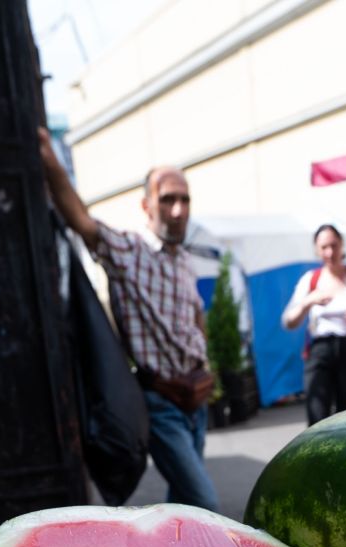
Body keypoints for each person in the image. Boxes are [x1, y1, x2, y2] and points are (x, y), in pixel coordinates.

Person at [36, 128, 220, 510]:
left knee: (185, 505)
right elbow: (82, 222)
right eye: (168, 199)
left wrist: (206, 364)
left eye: (185, 200)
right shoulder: (130, 251)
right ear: (147, 206)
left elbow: (197, 315)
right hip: (163, 402)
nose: (179, 210)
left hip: (197, 398)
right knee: (206, 503)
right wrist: (51, 163)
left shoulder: (185, 260)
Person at [282, 224, 346, 426]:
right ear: (316, 250)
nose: (330, 253)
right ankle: (316, 456)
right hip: (320, 351)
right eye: (324, 248)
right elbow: (289, 321)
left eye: (334, 246)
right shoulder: (310, 280)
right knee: (317, 415)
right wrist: (308, 302)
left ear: (341, 246)